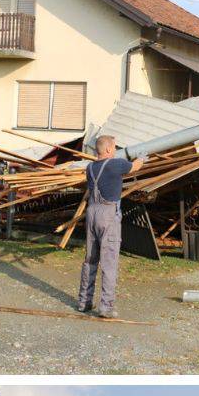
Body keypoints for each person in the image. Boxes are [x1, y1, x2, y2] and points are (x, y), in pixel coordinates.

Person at [77, 135, 145, 319]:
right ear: (108, 149)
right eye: (114, 147)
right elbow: (135, 167)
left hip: (92, 213)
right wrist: (142, 157)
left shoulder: (89, 168)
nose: (115, 150)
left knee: (90, 259)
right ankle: (106, 307)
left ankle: (84, 302)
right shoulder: (116, 164)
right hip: (108, 215)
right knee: (109, 262)